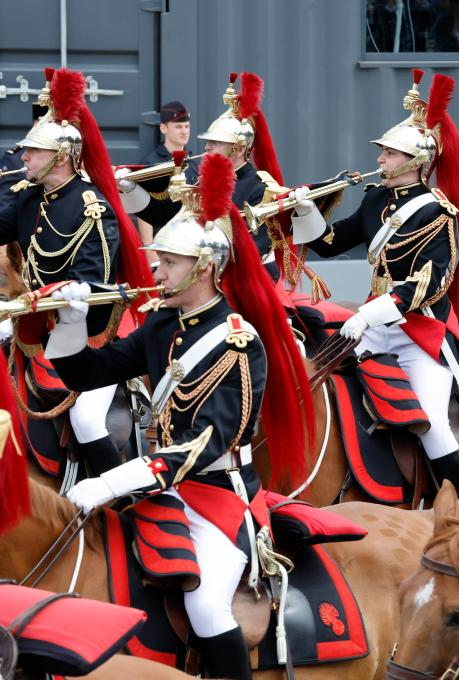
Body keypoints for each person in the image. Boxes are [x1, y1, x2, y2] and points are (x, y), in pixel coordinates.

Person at [49, 152, 312, 680]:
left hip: (217, 496)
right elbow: (85, 374)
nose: (155, 270)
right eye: (159, 258)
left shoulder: (237, 343)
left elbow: (206, 443)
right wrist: (71, 323)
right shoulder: (161, 323)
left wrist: (111, 481)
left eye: (168, 262)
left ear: (205, 268)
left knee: (206, 606)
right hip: (163, 486)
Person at [288, 70, 459, 497]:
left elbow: (430, 284)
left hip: (418, 335)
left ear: (417, 161)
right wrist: (305, 208)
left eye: (390, 154)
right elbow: (329, 244)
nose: (381, 160)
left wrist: (367, 313)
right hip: (375, 327)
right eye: (383, 152)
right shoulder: (374, 200)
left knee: (433, 425)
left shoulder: (439, 213)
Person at [0, 68, 153, 478]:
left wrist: (30, 312)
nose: (23, 157)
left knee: (87, 421)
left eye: (32, 151)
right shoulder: (28, 198)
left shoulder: (92, 207)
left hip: (84, 332)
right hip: (31, 323)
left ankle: (116, 495)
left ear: (61, 156)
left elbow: (92, 285)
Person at [118, 73, 288, 281]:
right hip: (204, 277)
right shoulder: (205, 181)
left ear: (238, 148)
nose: (207, 147)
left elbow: (253, 249)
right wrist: (130, 188)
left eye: (215, 142)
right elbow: (165, 215)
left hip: (248, 282)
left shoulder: (261, 188)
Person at [136, 101, 191, 264]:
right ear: (163, 128)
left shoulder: (194, 162)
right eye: (178, 127)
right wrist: (150, 249)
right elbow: (143, 207)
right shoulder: (152, 164)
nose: (184, 131)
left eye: (187, 126)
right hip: (164, 244)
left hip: (190, 242)